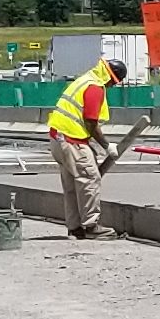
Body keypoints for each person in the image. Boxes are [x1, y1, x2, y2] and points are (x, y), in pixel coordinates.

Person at [46, 56, 128, 239]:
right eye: (113, 83)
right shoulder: (95, 88)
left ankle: (75, 227)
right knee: (89, 179)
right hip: (71, 140)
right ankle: (91, 226)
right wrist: (106, 146)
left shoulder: (84, 80)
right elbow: (90, 121)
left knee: (72, 185)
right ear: (111, 77)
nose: (111, 87)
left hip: (58, 137)